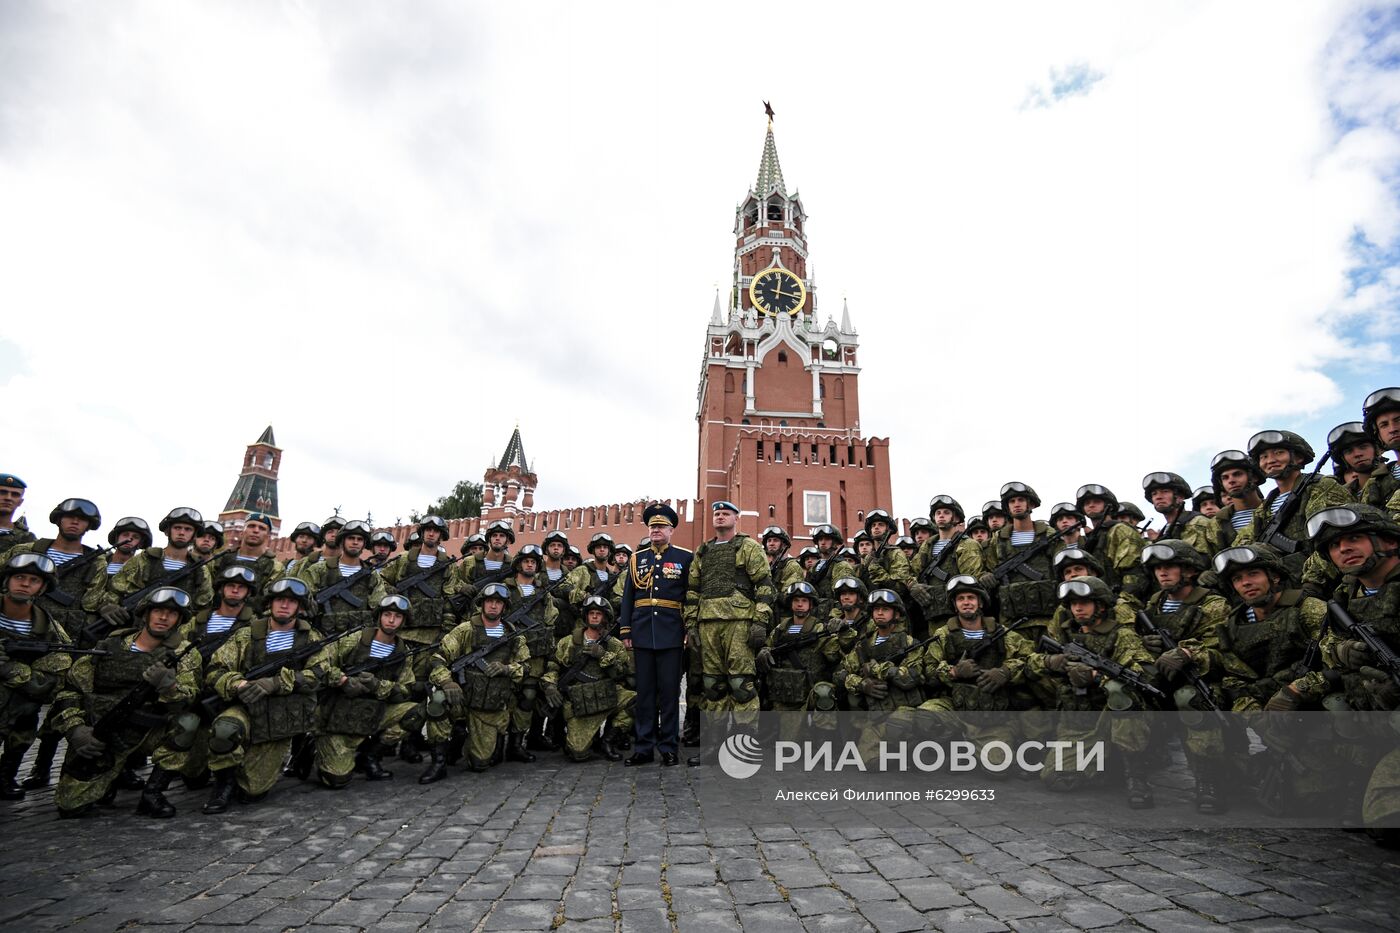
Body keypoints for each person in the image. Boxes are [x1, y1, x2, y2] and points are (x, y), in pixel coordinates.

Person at [51, 586, 200, 819]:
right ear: (145, 613)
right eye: (158, 611)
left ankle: (153, 793)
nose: (163, 617)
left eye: (172, 614)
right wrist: (76, 729)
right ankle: (112, 775)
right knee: (70, 805)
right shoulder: (109, 645)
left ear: (179, 619)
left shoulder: (184, 653)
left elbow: (189, 697)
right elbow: (71, 690)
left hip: (146, 731)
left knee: (188, 724)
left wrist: (170, 688)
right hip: (100, 731)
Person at [202, 577, 323, 814]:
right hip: (247, 707)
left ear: (300, 607)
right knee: (225, 730)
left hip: (281, 718)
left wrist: (276, 683)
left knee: (252, 792)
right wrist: (237, 684)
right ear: (270, 603)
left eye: (291, 602)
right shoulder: (246, 635)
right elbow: (215, 670)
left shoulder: (311, 639)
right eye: (280, 600)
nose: (284, 606)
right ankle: (222, 784)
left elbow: (319, 675)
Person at [307, 595, 421, 787]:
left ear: (404, 621)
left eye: (397, 616)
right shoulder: (354, 639)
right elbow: (319, 664)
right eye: (387, 614)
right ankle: (318, 745)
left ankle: (370, 756)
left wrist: (377, 685)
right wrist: (343, 680)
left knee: (415, 713)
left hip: (372, 712)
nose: (391, 620)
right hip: (339, 714)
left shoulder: (403, 652)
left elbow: (405, 690)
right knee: (336, 779)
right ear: (379, 616)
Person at [421, 583, 528, 779]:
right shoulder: (465, 630)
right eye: (489, 601)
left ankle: (462, 740)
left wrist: (507, 669)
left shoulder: (513, 636)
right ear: (482, 604)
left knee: (479, 763)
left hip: (488, 703)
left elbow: (525, 667)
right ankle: (439, 762)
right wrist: (446, 682)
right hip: (460, 696)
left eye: (498, 602)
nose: (493, 606)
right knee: (436, 703)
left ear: (504, 607)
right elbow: (437, 658)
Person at [619, 504, 692, 767]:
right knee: (645, 693)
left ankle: (669, 747)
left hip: (672, 634)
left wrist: (687, 630)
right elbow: (628, 597)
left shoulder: (685, 558)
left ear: (671, 530)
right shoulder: (637, 559)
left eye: (660, 527)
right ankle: (643, 747)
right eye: (652, 527)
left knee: (670, 694)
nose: (656, 530)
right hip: (641, 632)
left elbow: (689, 597)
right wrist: (625, 629)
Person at [0, 554, 74, 800]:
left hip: (15, 706)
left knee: (25, 719)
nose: (25, 584)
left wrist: (11, 670)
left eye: (33, 580)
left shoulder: (49, 629)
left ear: (42, 588)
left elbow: (50, 682)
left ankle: (6, 776)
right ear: (7, 581)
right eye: (19, 577)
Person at [542, 595, 634, 762]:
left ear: (605, 617)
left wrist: (604, 655)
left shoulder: (614, 644)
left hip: (607, 694)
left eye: (598, 613)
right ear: (585, 616)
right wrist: (549, 686)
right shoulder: (568, 642)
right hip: (580, 701)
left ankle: (608, 741)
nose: (594, 616)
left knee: (637, 702)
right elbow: (553, 667)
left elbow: (622, 674)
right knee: (578, 753)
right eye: (591, 613)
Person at [0, 474, 35, 552]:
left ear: (20, 502)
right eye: (2, 492)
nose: (8, 498)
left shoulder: (28, 539)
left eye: (15, 495)